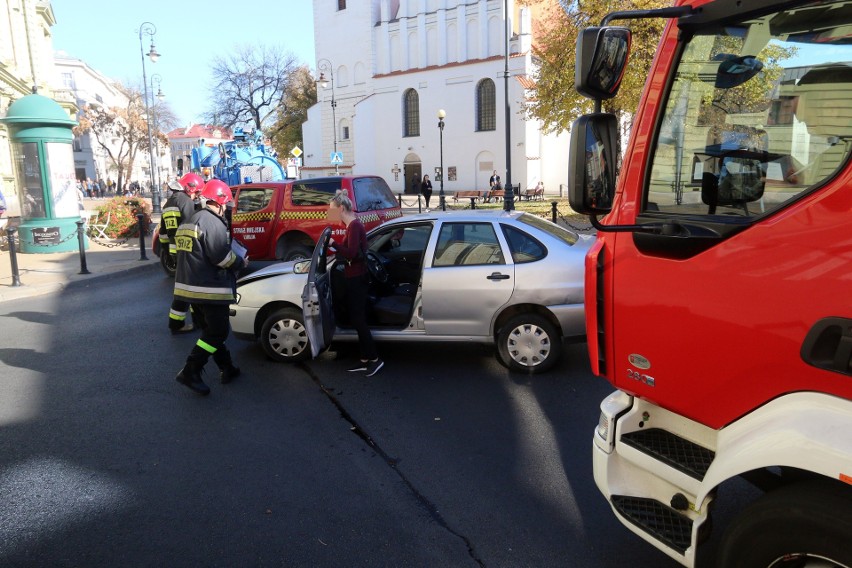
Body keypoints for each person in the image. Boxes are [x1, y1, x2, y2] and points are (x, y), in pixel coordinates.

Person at [173, 179, 247, 396]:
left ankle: (227, 368)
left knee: (211, 330)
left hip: (190, 288)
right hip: (209, 289)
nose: (228, 209)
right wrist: (240, 262)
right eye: (228, 204)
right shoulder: (212, 222)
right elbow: (221, 257)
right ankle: (190, 370)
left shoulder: (193, 219)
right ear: (221, 201)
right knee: (218, 331)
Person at [327, 191, 383, 377]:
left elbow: (351, 253)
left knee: (359, 320)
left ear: (341, 209)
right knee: (357, 318)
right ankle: (365, 358)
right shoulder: (353, 224)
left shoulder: (354, 226)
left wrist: (334, 244)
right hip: (355, 276)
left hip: (357, 278)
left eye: (332, 211)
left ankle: (374, 359)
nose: (330, 214)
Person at [160, 172, 204, 334]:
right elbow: (191, 227)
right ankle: (177, 324)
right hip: (186, 251)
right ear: (189, 188)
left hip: (175, 252)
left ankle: (197, 320)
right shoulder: (185, 202)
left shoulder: (169, 203)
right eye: (197, 192)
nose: (197, 196)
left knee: (189, 288)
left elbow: (164, 233)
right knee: (187, 289)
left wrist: (167, 254)